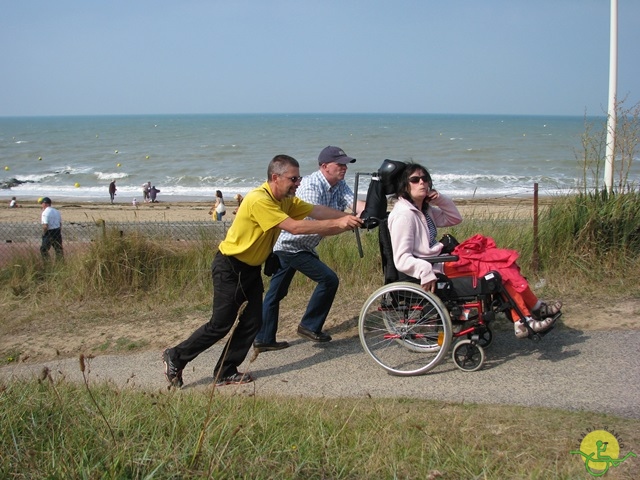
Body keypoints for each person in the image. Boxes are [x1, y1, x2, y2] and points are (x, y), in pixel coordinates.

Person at [162, 154, 363, 388]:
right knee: (220, 324)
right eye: (293, 178)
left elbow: (316, 211)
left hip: (251, 269)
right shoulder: (260, 200)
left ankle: (225, 371)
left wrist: (350, 217)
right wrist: (339, 224)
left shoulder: (286, 199)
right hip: (230, 267)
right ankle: (176, 356)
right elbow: (295, 228)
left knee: (253, 321)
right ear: (275, 177)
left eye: (299, 178)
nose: (298, 182)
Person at [387, 162, 562, 338]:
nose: (422, 183)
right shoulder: (404, 215)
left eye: (425, 178)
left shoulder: (423, 210)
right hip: (433, 266)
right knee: (495, 269)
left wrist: (439, 199)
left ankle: (533, 310)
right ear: (404, 186)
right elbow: (401, 259)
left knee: (502, 261)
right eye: (415, 180)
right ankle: (526, 318)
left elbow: (454, 218)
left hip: (443, 260)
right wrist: (424, 271)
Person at [255, 146, 366, 351]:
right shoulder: (310, 185)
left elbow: (355, 204)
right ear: (324, 166)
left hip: (302, 246)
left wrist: (372, 212)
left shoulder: (340, 185)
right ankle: (309, 325)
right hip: (290, 245)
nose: (344, 168)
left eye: (346, 165)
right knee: (328, 279)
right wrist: (344, 220)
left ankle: (263, 338)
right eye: (340, 164)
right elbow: (314, 216)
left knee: (276, 293)